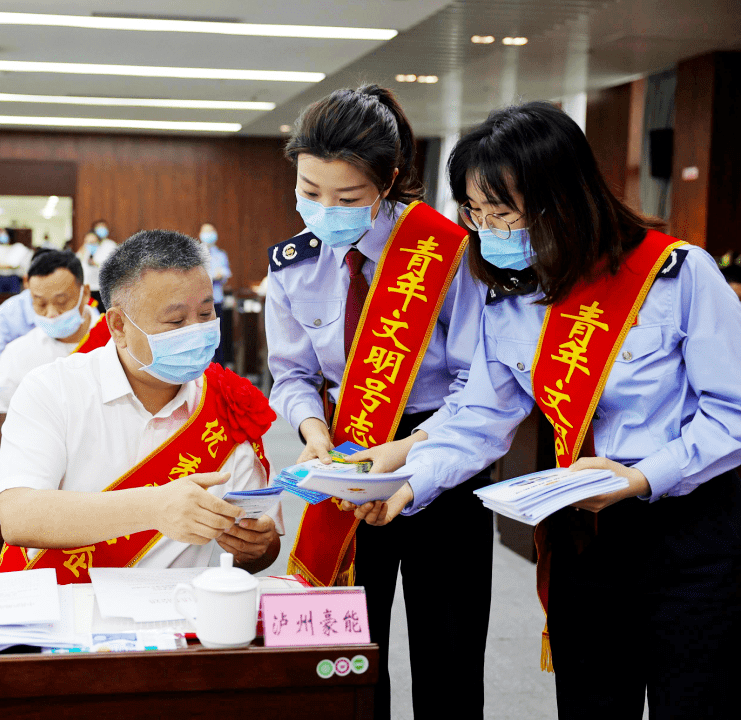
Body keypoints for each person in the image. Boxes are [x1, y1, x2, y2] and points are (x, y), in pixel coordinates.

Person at [390, 102, 741, 719]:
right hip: (585, 534)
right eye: (475, 213)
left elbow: (733, 413)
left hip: (692, 533)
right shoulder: (512, 300)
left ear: (562, 199)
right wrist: (407, 485)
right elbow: (478, 419)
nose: (486, 230)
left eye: (502, 213)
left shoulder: (677, 277)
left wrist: (640, 477)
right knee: (590, 702)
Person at [264, 85, 491, 719]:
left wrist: (408, 452)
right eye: (309, 192)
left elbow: (481, 387)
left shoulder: (446, 254)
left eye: (349, 198)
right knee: (350, 648)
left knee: (447, 649)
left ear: (389, 181)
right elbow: (292, 375)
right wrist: (312, 433)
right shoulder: (291, 267)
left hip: (442, 451)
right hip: (347, 452)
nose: (325, 211)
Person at [0, 230, 281, 582]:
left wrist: (256, 546)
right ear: (118, 326)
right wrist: (154, 507)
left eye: (206, 314)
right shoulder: (53, 389)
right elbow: (19, 515)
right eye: (175, 321)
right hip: (63, 609)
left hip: (176, 619)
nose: (196, 332)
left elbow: (260, 552)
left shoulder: (226, 408)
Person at [0, 250, 107, 436]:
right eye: (39, 304)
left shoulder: (115, 340)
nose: (51, 313)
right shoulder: (19, 351)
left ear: (85, 293)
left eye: (61, 301)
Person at [200, 222, 232, 365]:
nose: (209, 235)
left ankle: (220, 367)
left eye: (211, 231)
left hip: (217, 300)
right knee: (202, 338)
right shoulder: (197, 254)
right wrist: (214, 275)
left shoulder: (220, 254)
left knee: (219, 336)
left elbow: (225, 274)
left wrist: (215, 275)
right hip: (200, 303)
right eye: (206, 231)